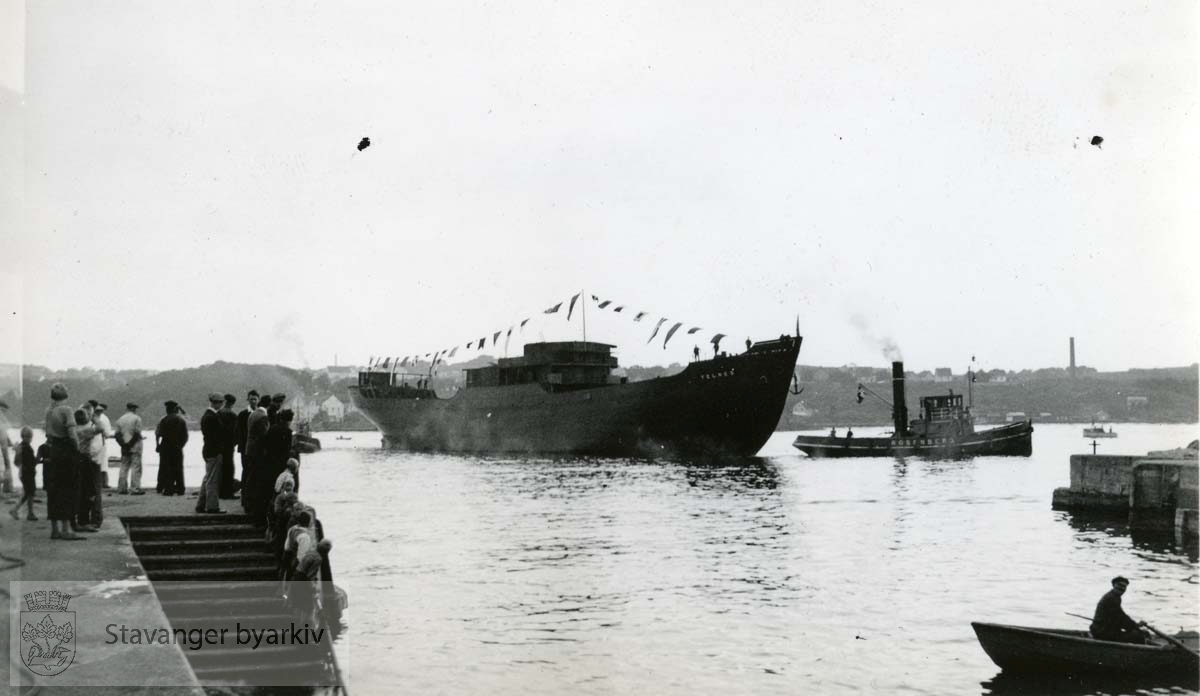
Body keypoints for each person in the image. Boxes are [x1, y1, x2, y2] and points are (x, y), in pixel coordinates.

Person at [44, 384, 87, 540]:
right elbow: (72, 434)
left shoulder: (48, 411)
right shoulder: (67, 410)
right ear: (66, 395)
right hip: (66, 450)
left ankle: (55, 529)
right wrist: (78, 450)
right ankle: (66, 529)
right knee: (68, 489)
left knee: (54, 490)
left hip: (53, 449)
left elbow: (48, 434)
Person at [260, 409, 295, 522]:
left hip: (270, 462)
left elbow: (266, 444)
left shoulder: (272, 428)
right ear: (289, 420)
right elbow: (287, 450)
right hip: (281, 464)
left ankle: (267, 514)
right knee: (281, 489)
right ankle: (278, 514)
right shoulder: (288, 432)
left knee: (271, 488)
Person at [1090, 576, 1147, 644]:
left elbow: (1121, 616)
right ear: (1113, 585)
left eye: (1124, 587)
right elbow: (1121, 619)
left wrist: (1135, 626)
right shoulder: (1111, 598)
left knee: (1138, 633)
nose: (1122, 588)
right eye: (1119, 585)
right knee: (1138, 636)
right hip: (1103, 633)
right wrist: (1136, 626)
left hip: (1105, 631)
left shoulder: (1115, 597)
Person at [196, 393, 227, 514]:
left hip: (208, 450)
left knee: (208, 477)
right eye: (221, 402)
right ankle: (212, 507)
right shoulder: (212, 417)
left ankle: (201, 504)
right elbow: (217, 436)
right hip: (214, 451)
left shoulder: (207, 416)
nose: (222, 405)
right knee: (213, 480)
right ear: (216, 403)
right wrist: (220, 451)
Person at [155, 401, 189, 495]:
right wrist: (181, 445)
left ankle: (167, 488)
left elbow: (158, 434)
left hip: (165, 446)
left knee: (166, 467)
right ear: (175, 409)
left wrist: (157, 445)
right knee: (178, 467)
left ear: (167, 409)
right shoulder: (180, 420)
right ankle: (180, 488)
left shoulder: (163, 420)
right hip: (177, 446)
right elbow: (185, 436)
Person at [244, 395, 270, 514]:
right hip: (257, 451)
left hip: (249, 449)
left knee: (250, 475)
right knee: (255, 477)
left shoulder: (253, 414)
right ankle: (251, 503)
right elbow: (264, 435)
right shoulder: (263, 417)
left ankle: (246, 501)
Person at [114, 402, 145, 494]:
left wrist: (123, 444)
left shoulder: (120, 419)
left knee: (124, 466)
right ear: (134, 409)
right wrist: (130, 444)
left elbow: (117, 434)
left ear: (127, 408)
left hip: (124, 446)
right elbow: (137, 433)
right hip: (135, 445)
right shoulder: (137, 418)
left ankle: (122, 488)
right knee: (136, 467)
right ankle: (135, 488)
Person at [236, 390, 260, 504]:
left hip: (256, 449)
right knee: (246, 471)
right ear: (248, 400)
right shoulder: (242, 415)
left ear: (258, 400)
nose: (253, 401)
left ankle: (252, 497)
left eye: (255, 399)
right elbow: (239, 433)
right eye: (251, 399)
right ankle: (245, 498)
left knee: (255, 472)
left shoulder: (261, 414)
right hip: (245, 449)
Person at [9, 426, 38, 520]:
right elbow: (31, 461)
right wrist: (40, 460)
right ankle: (30, 513)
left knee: (27, 493)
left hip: (24, 473)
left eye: (30, 437)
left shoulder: (21, 447)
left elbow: (17, 462)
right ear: (23, 437)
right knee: (30, 493)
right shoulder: (26, 448)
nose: (29, 439)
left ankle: (15, 509)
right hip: (27, 473)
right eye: (28, 437)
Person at [218, 394, 238, 499]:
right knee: (229, 468)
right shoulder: (233, 415)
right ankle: (228, 492)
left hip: (219, 445)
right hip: (229, 445)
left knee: (220, 468)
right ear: (233, 403)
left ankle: (220, 491)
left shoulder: (219, 413)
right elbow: (235, 432)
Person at [0, 399, 13, 494]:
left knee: (6, 462)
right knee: (6, 462)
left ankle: (7, 485)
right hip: (2, 443)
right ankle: (7, 486)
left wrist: (8, 440)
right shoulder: (1, 420)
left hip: (3, 440)